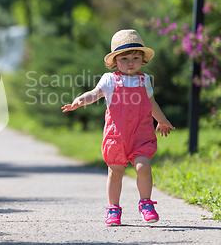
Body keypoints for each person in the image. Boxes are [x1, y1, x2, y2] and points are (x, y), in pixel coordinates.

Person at [61, 29, 175, 226]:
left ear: (142, 60)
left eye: (135, 57)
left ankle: (146, 203)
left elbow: (151, 104)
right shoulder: (110, 79)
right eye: (124, 58)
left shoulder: (144, 80)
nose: (130, 62)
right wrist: (80, 100)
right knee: (115, 172)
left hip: (141, 134)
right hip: (117, 136)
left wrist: (162, 120)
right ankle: (114, 209)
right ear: (115, 62)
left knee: (143, 167)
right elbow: (95, 93)